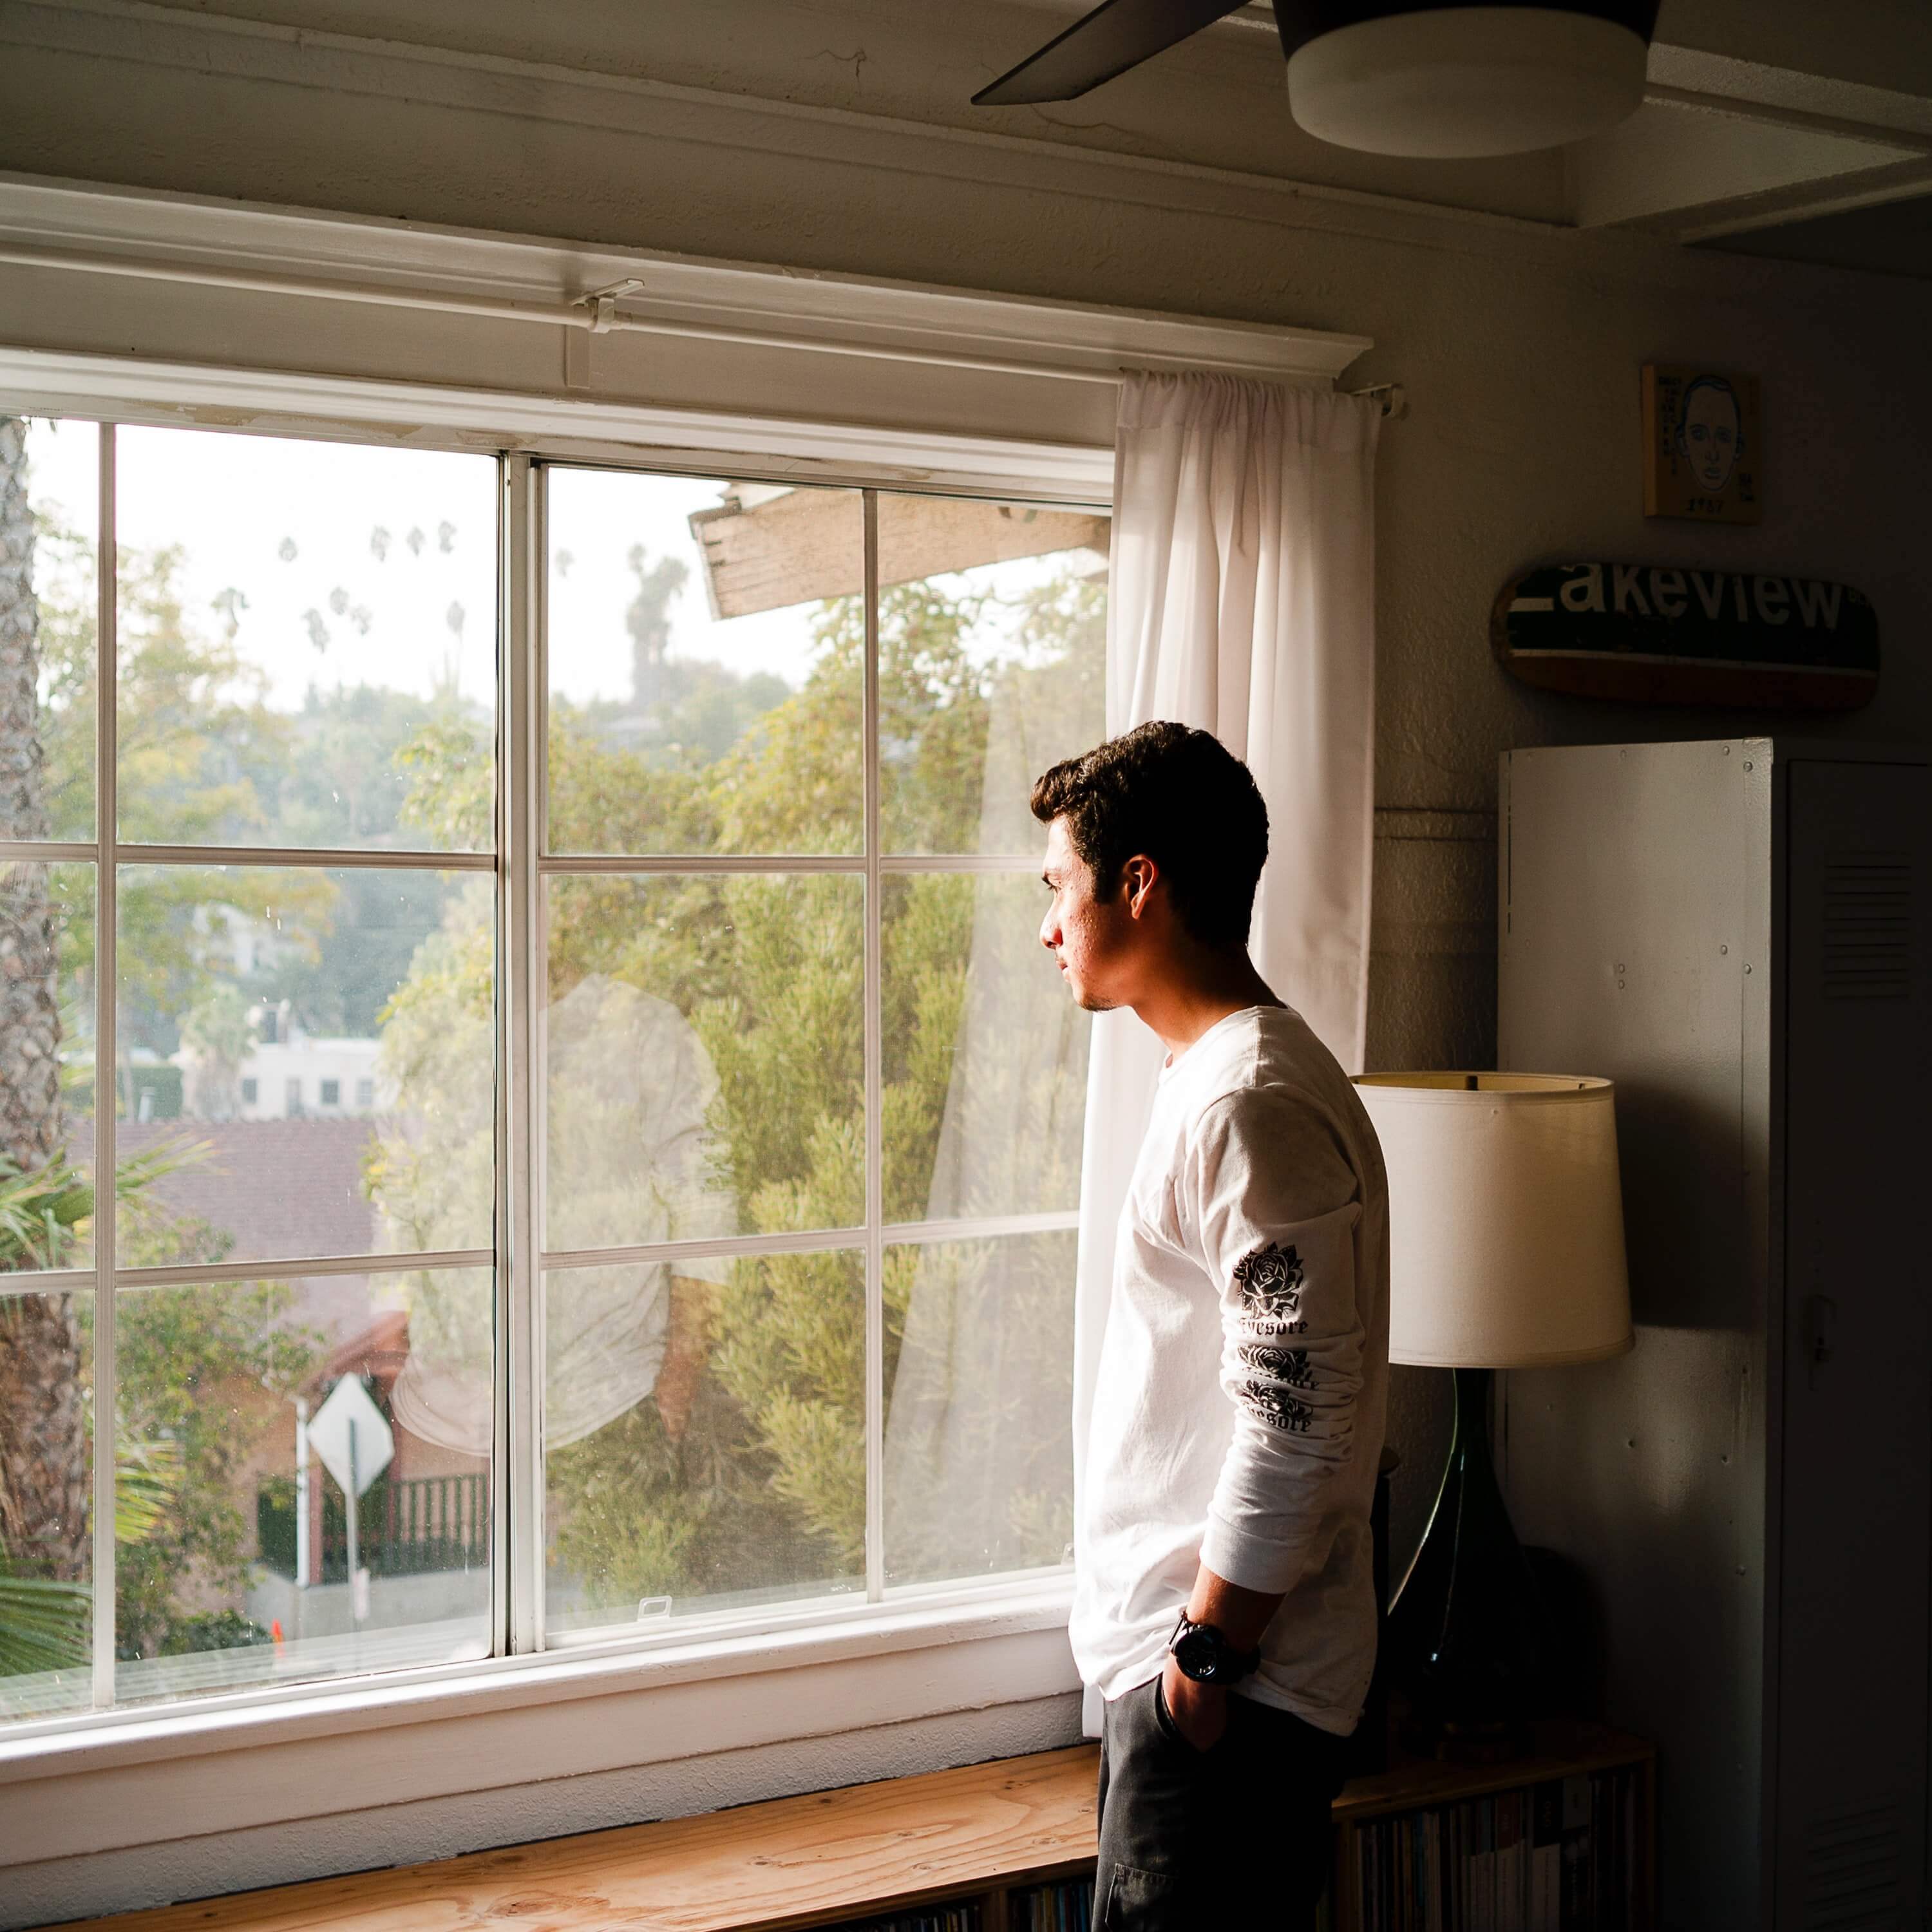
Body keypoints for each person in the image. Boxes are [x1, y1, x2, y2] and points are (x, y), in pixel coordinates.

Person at [1034, 721, 1390, 1929]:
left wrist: (1201, 1664)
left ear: (1139, 886)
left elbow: (1297, 1415)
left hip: (1234, 1703)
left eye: (1060, 889)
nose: (1048, 929)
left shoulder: (1248, 1100)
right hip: (1218, 1691)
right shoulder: (1224, 1076)